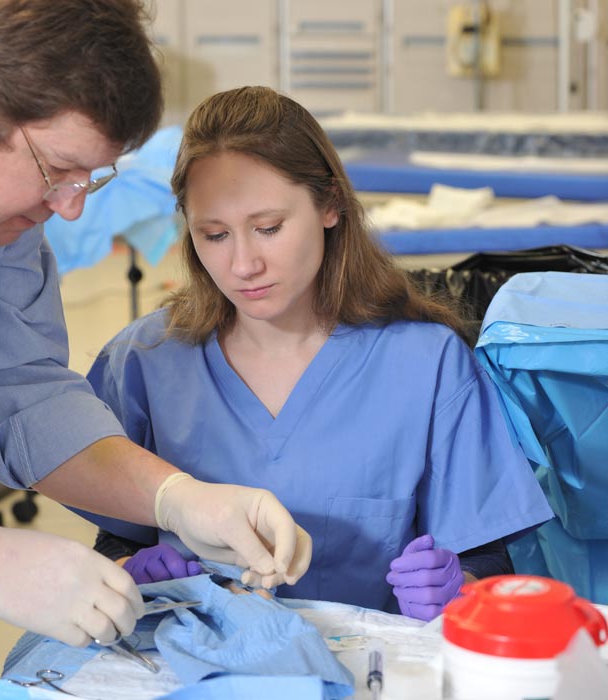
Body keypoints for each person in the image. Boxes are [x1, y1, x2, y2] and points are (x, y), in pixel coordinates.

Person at [0, 2, 311, 648]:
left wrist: (176, 498)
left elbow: (30, 401)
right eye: (55, 172)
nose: (67, 211)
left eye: (87, 180)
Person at [86, 85, 554, 620]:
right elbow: (115, 535)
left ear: (330, 204)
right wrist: (131, 571)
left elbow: (485, 555)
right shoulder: (147, 360)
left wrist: (458, 587)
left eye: (267, 228)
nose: (243, 264)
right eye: (213, 235)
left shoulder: (426, 366)